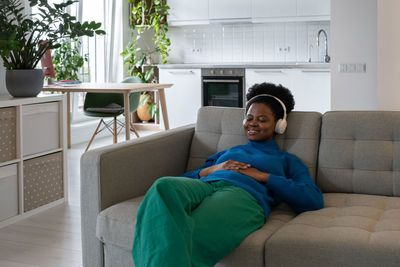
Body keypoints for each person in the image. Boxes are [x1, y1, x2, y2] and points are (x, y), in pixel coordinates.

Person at [132, 82, 324, 267]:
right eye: (249, 118)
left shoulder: (287, 160)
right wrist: (213, 169)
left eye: (262, 119)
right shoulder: (226, 153)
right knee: (162, 187)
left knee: (191, 232)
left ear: (279, 125)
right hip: (208, 184)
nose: (253, 123)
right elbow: (185, 179)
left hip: (242, 196)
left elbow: (313, 199)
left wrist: (263, 176)